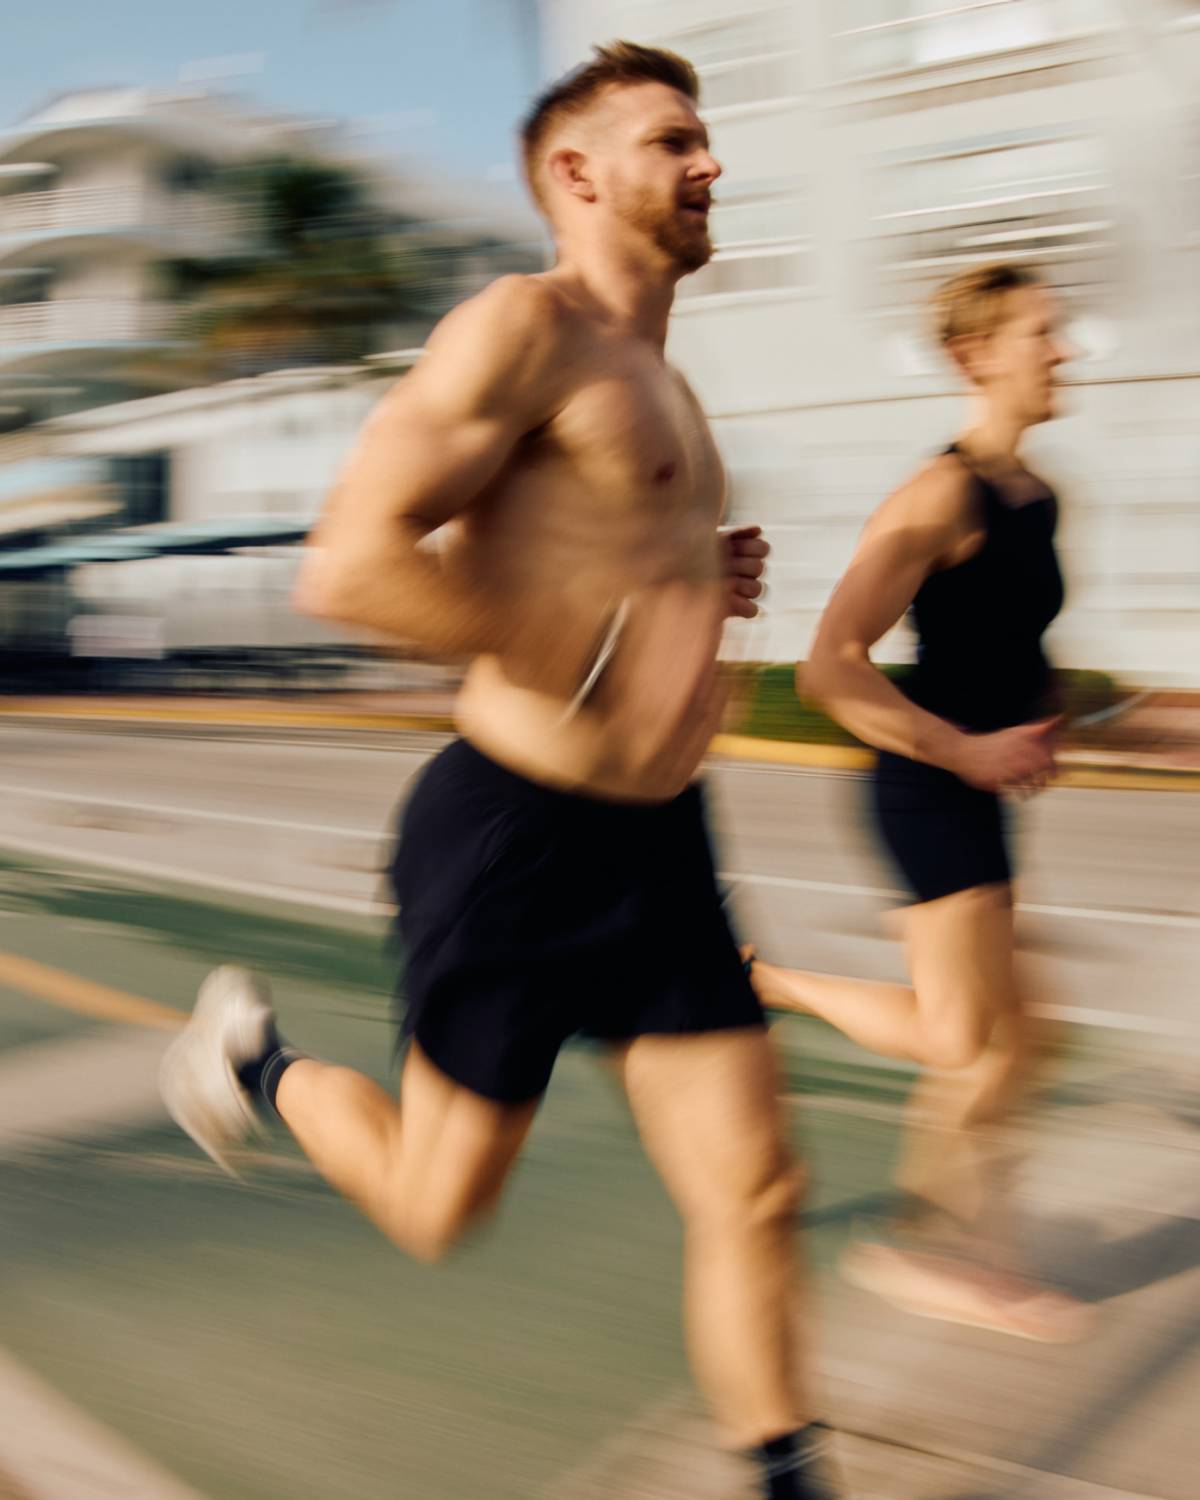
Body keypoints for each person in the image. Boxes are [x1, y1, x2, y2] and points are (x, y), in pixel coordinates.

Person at [160, 43, 842, 1500]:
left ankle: (788, 1476)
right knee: (434, 1205)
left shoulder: (670, 391)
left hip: (661, 848)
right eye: (678, 141)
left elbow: (595, 554)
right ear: (576, 175)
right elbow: (350, 564)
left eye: (709, 139)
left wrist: (688, 579)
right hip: (517, 841)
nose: (712, 164)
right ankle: (254, 1065)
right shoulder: (520, 328)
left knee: (760, 1188)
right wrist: (560, 624)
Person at [744, 263, 1090, 1342]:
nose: (1062, 350)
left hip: (974, 783)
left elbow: (1005, 645)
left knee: (1027, 1037)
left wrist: (1052, 714)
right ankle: (767, 985)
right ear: (974, 356)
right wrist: (970, 751)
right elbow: (830, 668)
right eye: (1041, 332)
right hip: (923, 783)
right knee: (963, 1037)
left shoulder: (1035, 497)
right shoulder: (935, 497)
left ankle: (964, 1240)